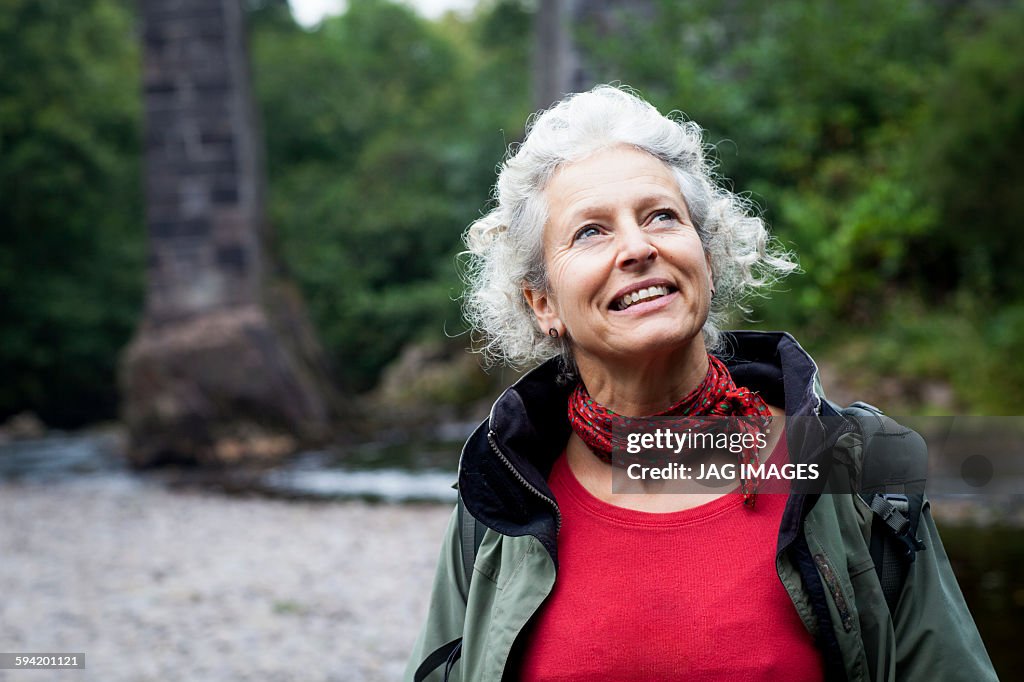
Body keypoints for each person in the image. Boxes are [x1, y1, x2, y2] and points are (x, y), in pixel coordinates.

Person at [406, 85, 996, 681]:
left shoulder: (860, 465)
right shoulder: (502, 490)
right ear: (543, 304)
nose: (638, 248)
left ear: (707, 260)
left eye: (661, 216)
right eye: (591, 232)